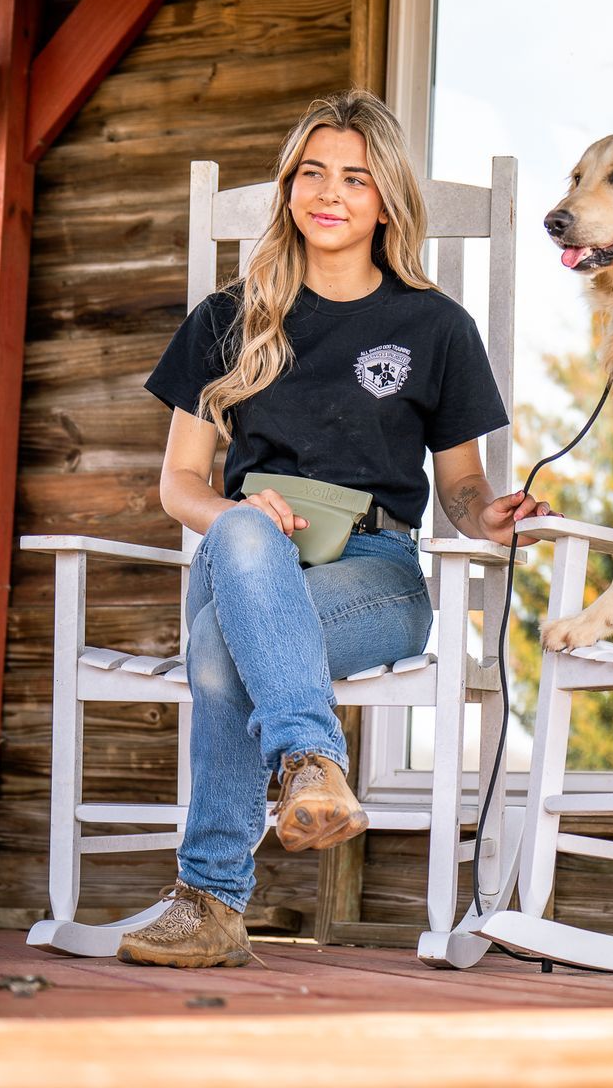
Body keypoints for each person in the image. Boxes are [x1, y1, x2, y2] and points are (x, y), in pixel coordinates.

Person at [118, 90, 551, 968]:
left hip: (378, 570)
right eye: (312, 172)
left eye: (355, 177)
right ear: (288, 189)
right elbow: (180, 485)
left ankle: (208, 902)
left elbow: (461, 487)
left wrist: (490, 516)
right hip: (246, 554)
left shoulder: (434, 327)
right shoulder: (226, 320)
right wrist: (239, 515)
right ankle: (311, 757)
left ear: (384, 198)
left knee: (215, 650)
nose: (330, 193)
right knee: (242, 537)